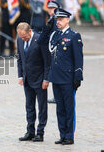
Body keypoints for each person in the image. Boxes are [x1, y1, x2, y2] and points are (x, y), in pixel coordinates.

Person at [38, 8, 83, 145]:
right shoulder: (55, 35)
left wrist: (78, 76)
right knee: (60, 109)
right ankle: (62, 134)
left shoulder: (74, 36)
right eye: (57, 19)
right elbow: (41, 42)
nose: (58, 22)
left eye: (61, 19)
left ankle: (69, 136)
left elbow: (78, 58)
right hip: (56, 77)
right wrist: (47, 27)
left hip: (68, 78)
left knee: (69, 108)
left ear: (67, 20)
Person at [17, 22, 50, 142]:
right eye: (21, 37)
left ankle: (40, 132)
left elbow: (47, 61)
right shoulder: (20, 40)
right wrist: (20, 75)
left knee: (42, 107)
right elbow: (20, 59)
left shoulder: (40, 39)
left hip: (40, 79)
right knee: (29, 106)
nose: (23, 39)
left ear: (30, 31)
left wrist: (46, 79)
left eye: (24, 36)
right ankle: (30, 131)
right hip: (27, 79)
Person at [38, 0, 60, 104]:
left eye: (53, 8)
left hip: (55, 50)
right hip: (49, 49)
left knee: (55, 73)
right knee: (53, 72)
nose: (51, 10)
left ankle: (57, 96)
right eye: (49, 8)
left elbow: (55, 35)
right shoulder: (51, 19)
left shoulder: (57, 20)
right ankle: (56, 95)